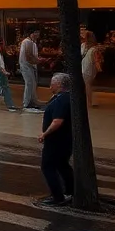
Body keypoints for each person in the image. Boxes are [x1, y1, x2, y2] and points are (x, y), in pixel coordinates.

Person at [37, 72, 75, 207]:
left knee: (47, 166)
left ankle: (58, 196)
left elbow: (57, 121)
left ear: (59, 84)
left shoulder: (60, 100)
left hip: (56, 140)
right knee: (62, 165)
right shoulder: (66, 98)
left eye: (52, 83)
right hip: (65, 139)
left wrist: (44, 134)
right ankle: (71, 191)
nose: (50, 86)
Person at [19, 29, 44, 112]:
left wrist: (37, 60)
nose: (37, 34)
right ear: (31, 33)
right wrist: (39, 61)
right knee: (29, 83)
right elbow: (28, 56)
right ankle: (26, 103)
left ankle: (32, 101)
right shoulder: (27, 42)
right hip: (27, 66)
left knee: (33, 84)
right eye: (36, 32)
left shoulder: (33, 42)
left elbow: (32, 56)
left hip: (31, 66)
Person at [81, 31, 102, 108]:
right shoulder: (94, 48)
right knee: (88, 84)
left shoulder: (83, 46)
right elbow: (96, 60)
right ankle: (90, 101)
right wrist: (99, 69)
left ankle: (89, 101)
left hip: (84, 66)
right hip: (89, 67)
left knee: (87, 85)